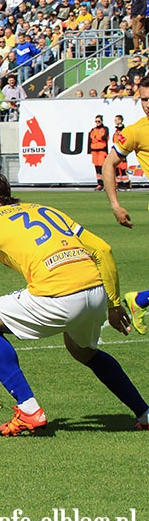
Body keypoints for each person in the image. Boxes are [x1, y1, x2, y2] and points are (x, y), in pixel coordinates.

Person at [0, 167, 149, 435]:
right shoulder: (45, 209)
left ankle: (28, 409)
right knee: (83, 351)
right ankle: (145, 412)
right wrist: (113, 304)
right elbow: (103, 250)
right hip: (95, 291)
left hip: (57, 296)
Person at [102, 79, 149, 334]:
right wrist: (115, 204)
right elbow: (109, 164)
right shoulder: (134, 131)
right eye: (144, 99)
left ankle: (139, 300)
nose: (147, 105)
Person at [89, 114, 109, 191]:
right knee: (97, 168)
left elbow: (104, 137)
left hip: (102, 150)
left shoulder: (105, 129)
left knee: (102, 168)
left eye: (98, 121)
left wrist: (96, 138)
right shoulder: (93, 130)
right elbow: (91, 139)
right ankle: (99, 184)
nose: (97, 122)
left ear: (102, 121)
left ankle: (106, 184)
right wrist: (98, 138)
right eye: (96, 121)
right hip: (94, 151)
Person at [112, 114, 131, 191]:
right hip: (117, 151)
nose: (115, 121)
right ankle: (119, 184)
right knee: (117, 169)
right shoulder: (116, 131)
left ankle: (126, 185)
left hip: (122, 152)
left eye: (116, 120)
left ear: (120, 120)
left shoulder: (123, 130)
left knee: (123, 169)